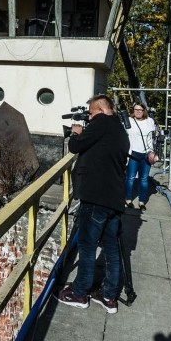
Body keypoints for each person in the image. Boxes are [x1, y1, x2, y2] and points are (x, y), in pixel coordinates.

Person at [57, 94, 129, 314]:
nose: (89, 116)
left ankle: (79, 293)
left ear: (99, 110)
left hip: (96, 197)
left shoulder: (102, 123)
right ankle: (109, 297)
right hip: (114, 199)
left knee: (87, 247)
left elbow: (76, 147)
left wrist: (77, 131)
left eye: (90, 113)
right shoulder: (119, 129)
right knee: (111, 250)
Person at [124, 102, 158, 212]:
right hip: (133, 153)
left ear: (144, 111)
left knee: (144, 178)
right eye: (136, 109)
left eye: (140, 110)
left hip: (146, 154)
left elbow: (153, 139)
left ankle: (142, 201)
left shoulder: (150, 121)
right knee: (130, 178)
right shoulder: (128, 121)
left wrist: (153, 152)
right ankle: (128, 199)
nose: (138, 111)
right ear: (133, 110)